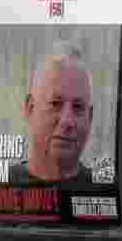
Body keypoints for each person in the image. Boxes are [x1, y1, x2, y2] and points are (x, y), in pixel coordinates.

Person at [8, 43, 95, 187]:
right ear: (30, 108)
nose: (67, 121)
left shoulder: (105, 191)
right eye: (55, 103)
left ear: (90, 118)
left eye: (78, 107)